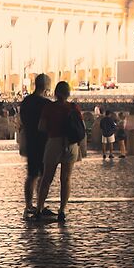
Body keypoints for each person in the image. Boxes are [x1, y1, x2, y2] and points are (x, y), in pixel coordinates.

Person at [37, 81, 84, 220]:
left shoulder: (49, 108)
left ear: (56, 92)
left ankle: (39, 209)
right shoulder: (74, 107)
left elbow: (41, 127)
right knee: (66, 178)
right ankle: (62, 210)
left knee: (47, 178)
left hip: (54, 142)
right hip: (71, 144)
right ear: (68, 93)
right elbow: (80, 128)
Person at [18, 72, 52, 220]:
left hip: (30, 140)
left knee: (31, 175)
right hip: (44, 142)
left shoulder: (26, 102)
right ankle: (40, 206)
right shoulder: (47, 104)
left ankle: (28, 205)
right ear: (46, 87)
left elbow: (22, 121)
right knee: (44, 177)